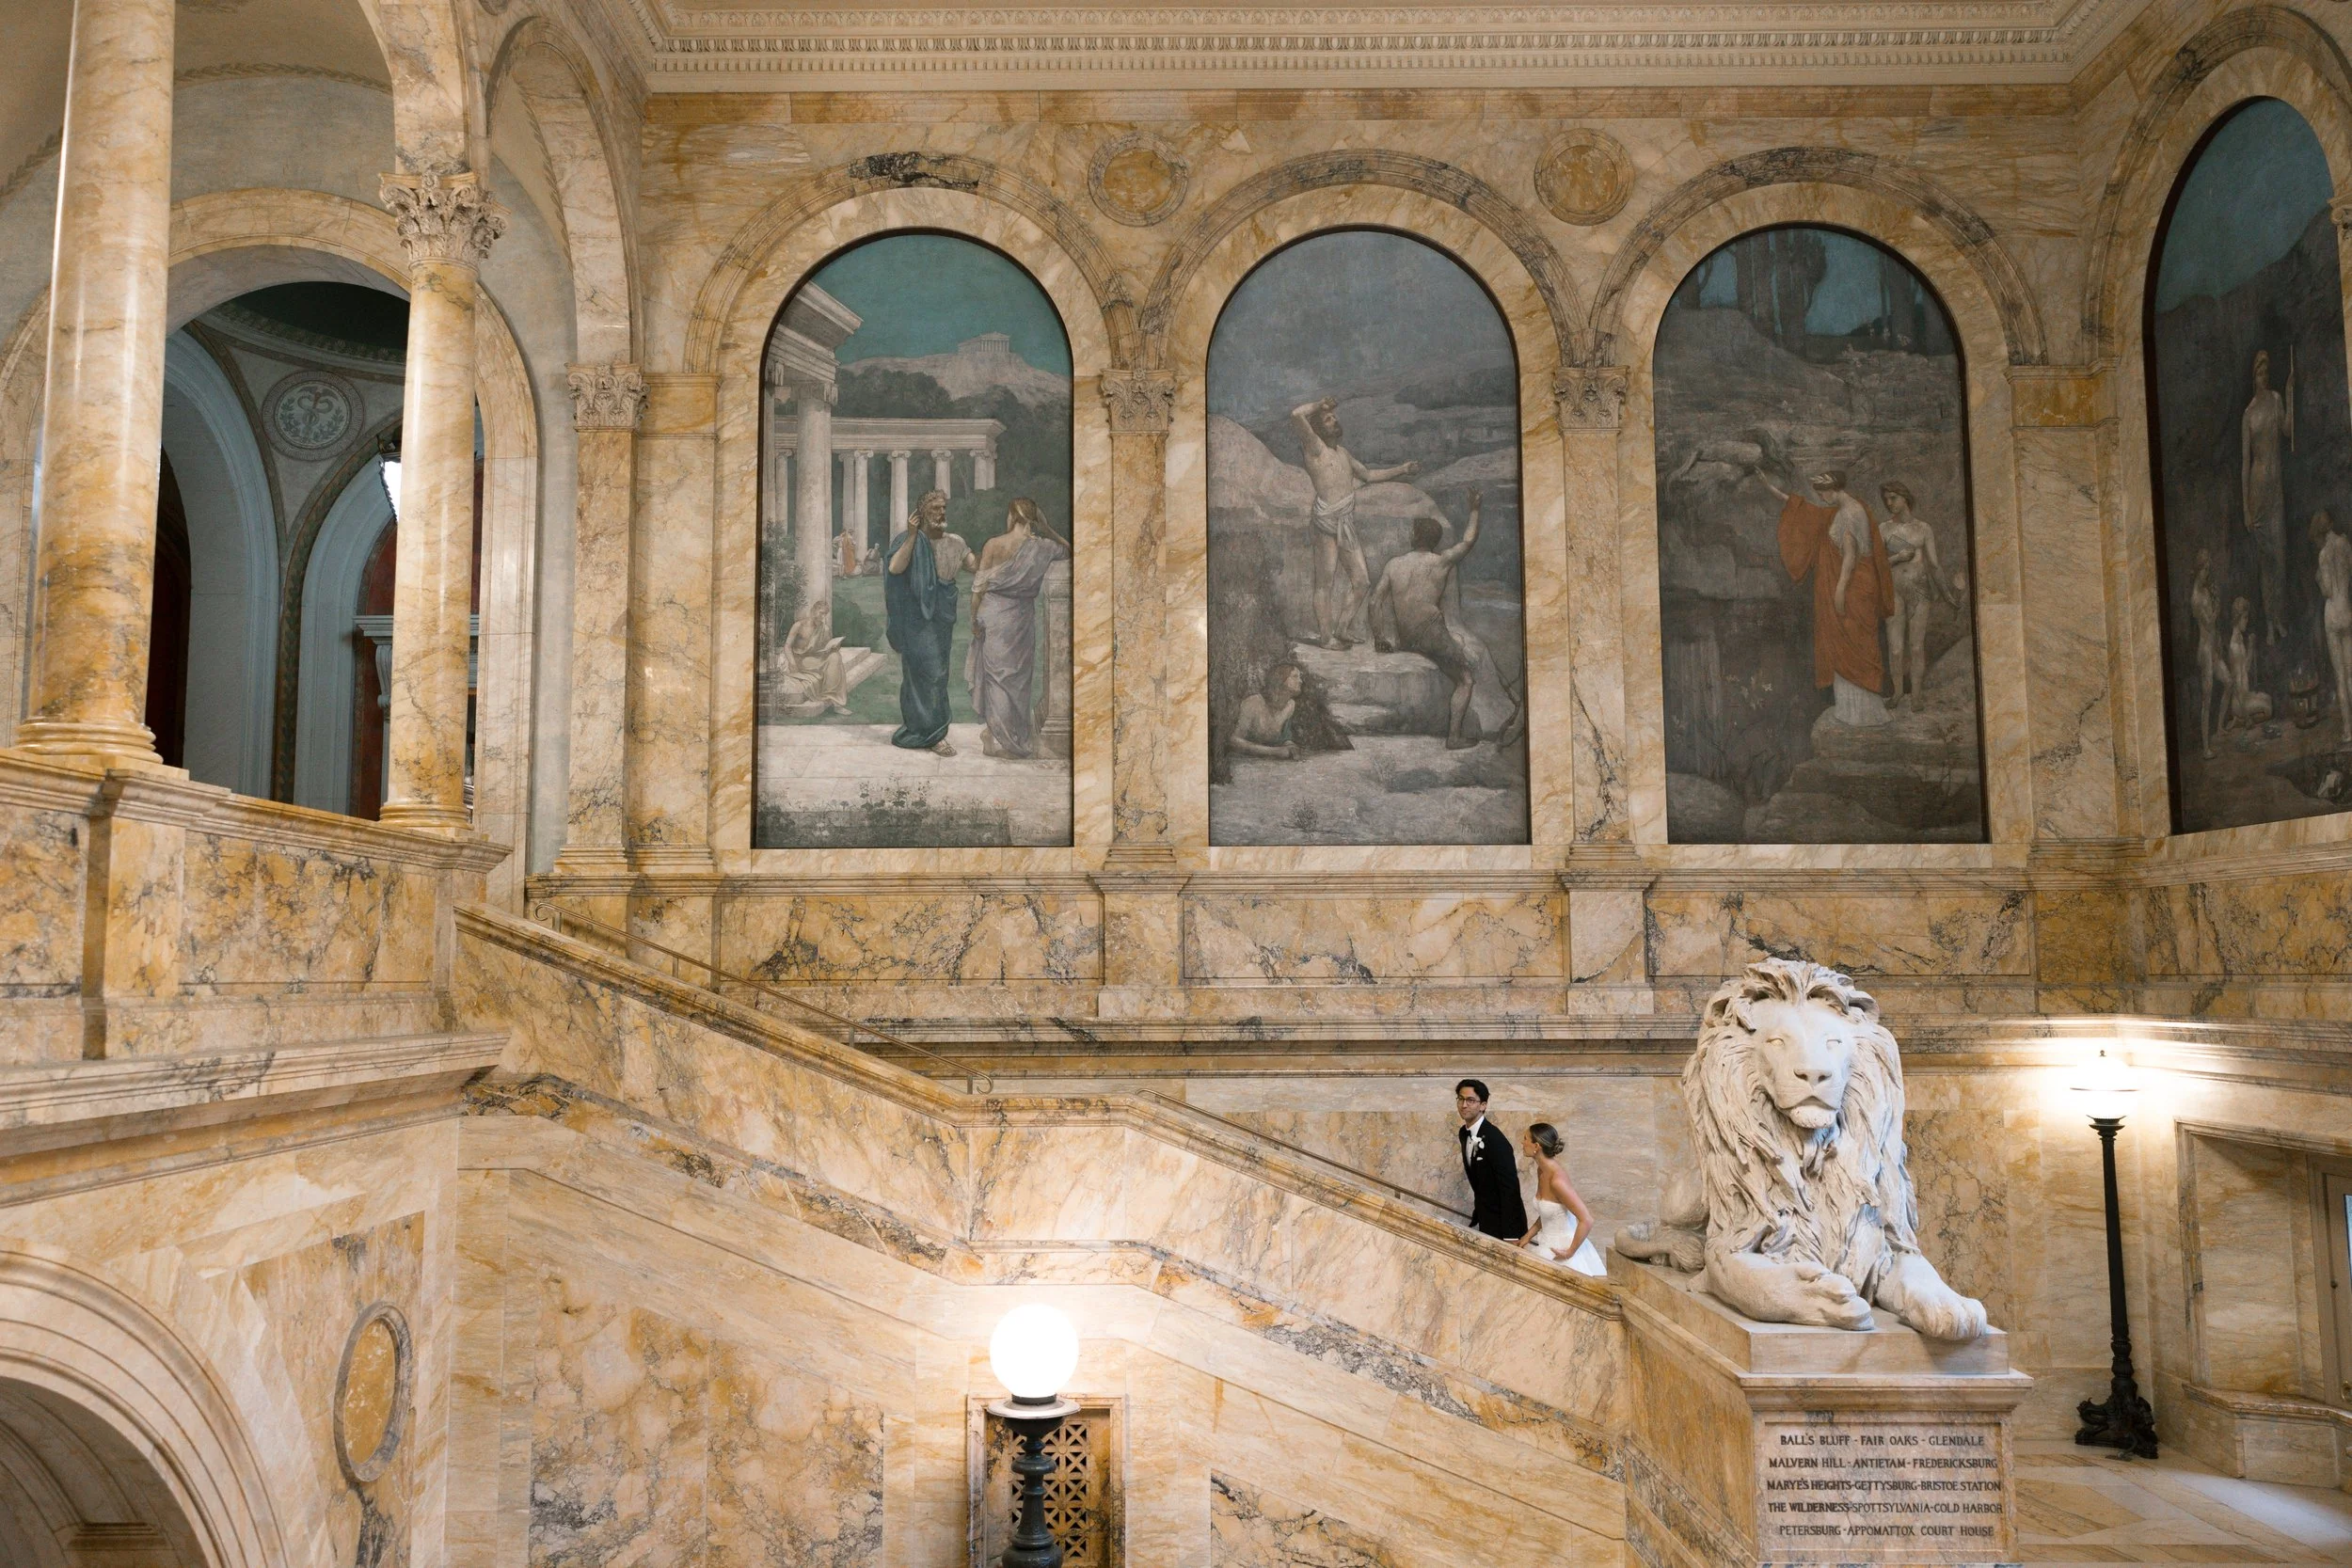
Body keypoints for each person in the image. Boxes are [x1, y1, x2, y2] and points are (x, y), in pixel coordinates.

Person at [1371, 486, 1525, 749]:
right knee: (1466, 678)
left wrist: (1379, 638)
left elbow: (1375, 601)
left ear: (1414, 536)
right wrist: (1475, 510)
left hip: (1406, 637)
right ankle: (1453, 738)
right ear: (1433, 540)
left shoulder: (1394, 564)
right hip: (1430, 633)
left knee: (1456, 647)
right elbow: (1468, 541)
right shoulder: (1440, 562)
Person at [1766, 467, 1895, 727]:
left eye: (1823, 493)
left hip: (1854, 588)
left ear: (1833, 489)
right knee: (1843, 642)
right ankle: (1850, 711)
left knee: (1855, 642)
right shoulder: (1841, 510)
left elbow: (1850, 556)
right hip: (1851, 586)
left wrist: (1839, 589)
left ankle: (1864, 713)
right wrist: (1774, 491)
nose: (1821, 498)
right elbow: (1808, 513)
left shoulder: (1851, 513)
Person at [1292, 396, 1420, 649]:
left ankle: (1343, 627)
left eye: (1334, 417)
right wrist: (1320, 405)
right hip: (1326, 522)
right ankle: (1327, 638)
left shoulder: (1344, 454)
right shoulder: (1315, 448)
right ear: (1317, 429)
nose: (1334, 420)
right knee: (1324, 583)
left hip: (1345, 523)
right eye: (1328, 419)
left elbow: (1369, 475)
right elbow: (1296, 415)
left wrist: (1402, 469)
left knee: (1362, 581)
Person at [965, 498, 1068, 758]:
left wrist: (973, 619)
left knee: (999, 679)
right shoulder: (1043, 547)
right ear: (1034, 519)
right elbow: (1070, 550)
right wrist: (1047, 528)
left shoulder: (993, 544)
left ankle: (995, 735)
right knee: (1017, 680)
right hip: (1021, 617)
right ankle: (1007, 740)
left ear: (1011, 517)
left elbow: (978, 589)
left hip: (994, 614)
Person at [884, 489, 974, 754]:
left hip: (942, 615)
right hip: (916, 618)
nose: (941, 513)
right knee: (923, 673)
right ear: (922, 513)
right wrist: (912, 535)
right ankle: (928, 733)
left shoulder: (956, 541)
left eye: (943, 507)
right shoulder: (911, 540)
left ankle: (931, 730)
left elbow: (975, 565)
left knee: (939, 674)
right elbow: (895, 569)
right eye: (935, 508)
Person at [1879, 482, 1957, 708]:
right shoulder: (1883, 529)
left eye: (1893, 498)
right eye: (1887, 499)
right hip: (1893, 593)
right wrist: (1897, 558)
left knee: (1915, 646)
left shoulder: (1923, 529)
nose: (1889, 503)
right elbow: (1873, 565)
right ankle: (1897, 693)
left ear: (1905, 497)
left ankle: (1916, 696)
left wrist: (1947, 594)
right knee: (1895, 648)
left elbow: (1934, 565)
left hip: (1920, 592)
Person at [2243, 350, 2290, 645]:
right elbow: (2244, 463)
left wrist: (2290, 392)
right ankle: (2271, 624)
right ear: (2253, 375)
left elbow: (2287, 430)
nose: (2264, 373)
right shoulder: (2248, 414)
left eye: (2267, 368)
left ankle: (2280, 618)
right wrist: (2246, 508)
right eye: (2259, 369)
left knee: (2280, 556)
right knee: (2266, 560)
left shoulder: (2275, 400)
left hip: (2276, 490)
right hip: (2258, 491)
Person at [1518, 1124, 1605, 1276]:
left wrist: (1570, 1252)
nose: (1522, 1143)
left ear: (1536, 1146)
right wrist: (1527, 1237)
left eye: (1525, 1139)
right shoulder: (1542, 1170)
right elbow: (1549, 1213)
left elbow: (1587, 1220)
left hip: (1562, 1252)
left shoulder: (1557, 1181)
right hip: (1546, 1246)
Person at [1454, 1079, 1527, 1243]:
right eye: (1460, 1099)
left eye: (1471, 1100)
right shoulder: (1463, 1133)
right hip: (1486, 1220)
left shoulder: (1495, 1139)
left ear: (1483, 1105)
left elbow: (1510, 1188)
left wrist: (1511, 1235)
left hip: (1506, 1227)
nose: (1464, 1105)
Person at [775, 594, 850, 715]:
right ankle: (832, 700)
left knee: (835, 657)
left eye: (824, 614)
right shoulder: (799, 625)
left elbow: (826, 647)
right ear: (813, 611)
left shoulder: (824, 628)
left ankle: (835, 701)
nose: (822, 617)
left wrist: (834, 647)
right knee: (830, 662)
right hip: (800, 659)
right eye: (820, 613)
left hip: (816, 659)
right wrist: (792, 662)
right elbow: (787, 646)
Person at [2316, 512, 2352, 742]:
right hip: (2347, 612)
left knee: (2340, 676)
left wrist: (2319, 578)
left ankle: (2348, 730)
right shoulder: (2344, 543)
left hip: (2331, 615)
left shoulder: (2323, 554)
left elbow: (2327, 590)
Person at [2191, 547, 2226, 760]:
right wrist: (2218, 605)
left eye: (2208, 568)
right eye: (2204, 569)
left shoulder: (2204, 591)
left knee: (2227, 681)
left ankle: (2220, 728)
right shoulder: (2196, 597)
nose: (2207, 572)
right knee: (2207, 698)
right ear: (2198, 570)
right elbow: (2210, 622)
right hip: (2204, 649)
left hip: (2212, 647)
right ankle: (2205, 747)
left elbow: (2214, 626)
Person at [1230, 661, 1303, 760]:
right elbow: (1234, 741)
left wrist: (1290, 745)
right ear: (1280, 679)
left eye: (1299, 677)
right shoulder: (1253, 703)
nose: (1300, 681)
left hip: (1270, 763)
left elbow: (1285, 736)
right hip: (1246, 761)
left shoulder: (1290, 705)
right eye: (1295, 676)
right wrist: (1274, 752)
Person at [2224, 594, 2271, 734]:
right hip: (2240, 702)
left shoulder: (2240, 640)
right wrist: (2245, 714)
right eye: (2245, 618)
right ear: (2237, 619)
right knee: (2268, 710)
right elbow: (2235, 683)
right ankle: (2242, 719)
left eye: (2247, 617)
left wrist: (2250, 647)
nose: (2247, 621)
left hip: (2246, 695)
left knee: (2268, 699)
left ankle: (2242, 718)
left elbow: (2246, 668)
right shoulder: (2234, 646)